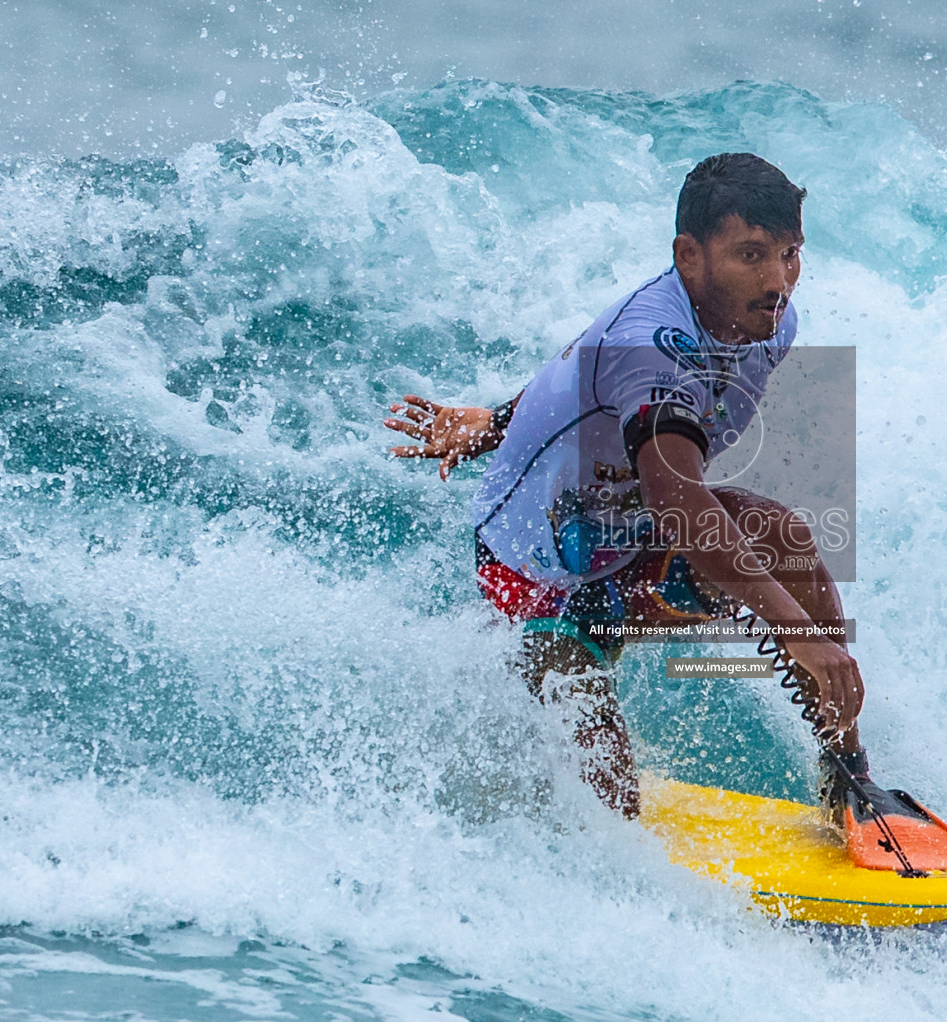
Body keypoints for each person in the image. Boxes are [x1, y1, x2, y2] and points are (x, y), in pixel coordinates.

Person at [385, 154, 900, 842]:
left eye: (789, 254)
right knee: (612, 809)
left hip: (633, 540)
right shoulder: (650, 341)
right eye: (751, 255)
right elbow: (681, 503)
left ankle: (847, 775)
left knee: (783, 538)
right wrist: (800, 634)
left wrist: (500, 421)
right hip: (538, 572)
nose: (777, 281)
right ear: (690, 257)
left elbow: (588, 382)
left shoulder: (770, 321)